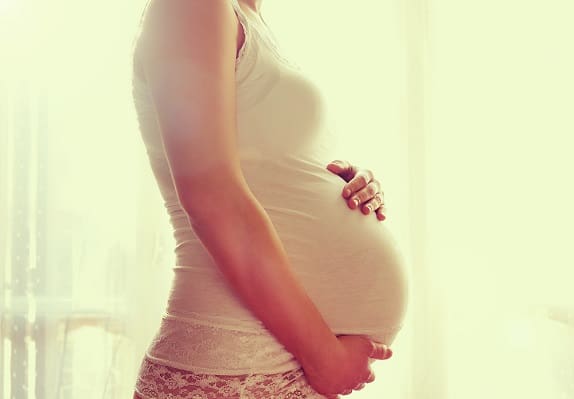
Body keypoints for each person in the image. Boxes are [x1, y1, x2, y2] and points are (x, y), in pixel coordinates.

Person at [130, 0, 409, 397]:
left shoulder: (250, 19)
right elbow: (211, 198)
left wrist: (345, 184)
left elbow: (266, 168)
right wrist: (323, 357)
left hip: (277, 362)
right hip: (238, 364)